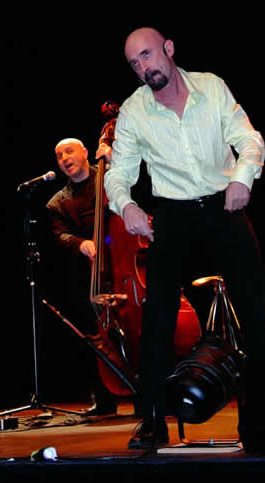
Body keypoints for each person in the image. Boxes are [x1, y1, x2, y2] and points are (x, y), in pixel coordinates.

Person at [104, 27, 265, 453]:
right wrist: (127, 206)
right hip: (172, 216)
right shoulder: (134, 112)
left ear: (168, 49)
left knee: (256, 313)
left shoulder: (211, 88)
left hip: (223, 205)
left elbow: (248, 139)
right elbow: (118, 173)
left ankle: (260, 420)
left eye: (148, 55)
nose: (144, 68)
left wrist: (241, 178)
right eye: (134, 63)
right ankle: (153, 420)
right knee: (157, 317)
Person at [46, 137, 118, 417]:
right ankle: (104, 400)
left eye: (70, 151)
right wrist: (80, 243)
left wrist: (115, 162)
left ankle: (148, 393)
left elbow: (135, 191)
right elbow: (59, 234)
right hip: (90, 273)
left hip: (122, 262)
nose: (64, 158)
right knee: (92, 335)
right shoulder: (57, 203)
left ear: (86, 153)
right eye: (59, 155)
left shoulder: (109, 176)